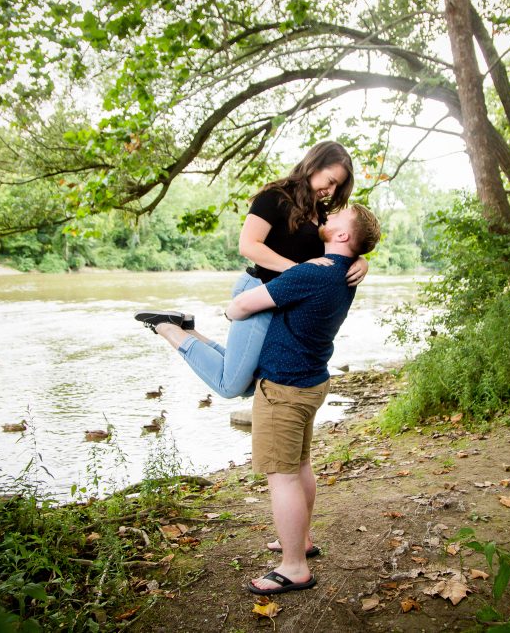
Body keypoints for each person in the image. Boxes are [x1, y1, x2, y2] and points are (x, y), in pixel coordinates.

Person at [226, 203, 381, 595]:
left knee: (282, 477)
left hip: (284, 387)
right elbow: (352, 254)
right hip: (310, 382)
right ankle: (302, 541)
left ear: (342, 236)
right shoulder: (347, 272)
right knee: (298, 467)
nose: (327, 217)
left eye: (336, 218)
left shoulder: (313, 273)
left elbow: (243, 306)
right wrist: (363, 257)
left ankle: (294, 567)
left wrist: (229, 311)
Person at [134, 141, 368, 397]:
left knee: (254, 381)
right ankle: (167, 328)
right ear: (314, 165)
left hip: (281, 300)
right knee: (230, 387)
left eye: (337, 187)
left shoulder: (320, 214)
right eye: (331, 181)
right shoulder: (274, 197)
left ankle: (187, 329)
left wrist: (360, 261)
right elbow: (248, 245)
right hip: (259, 290)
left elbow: (338, 247)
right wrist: (297, 271)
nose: (331, 191)